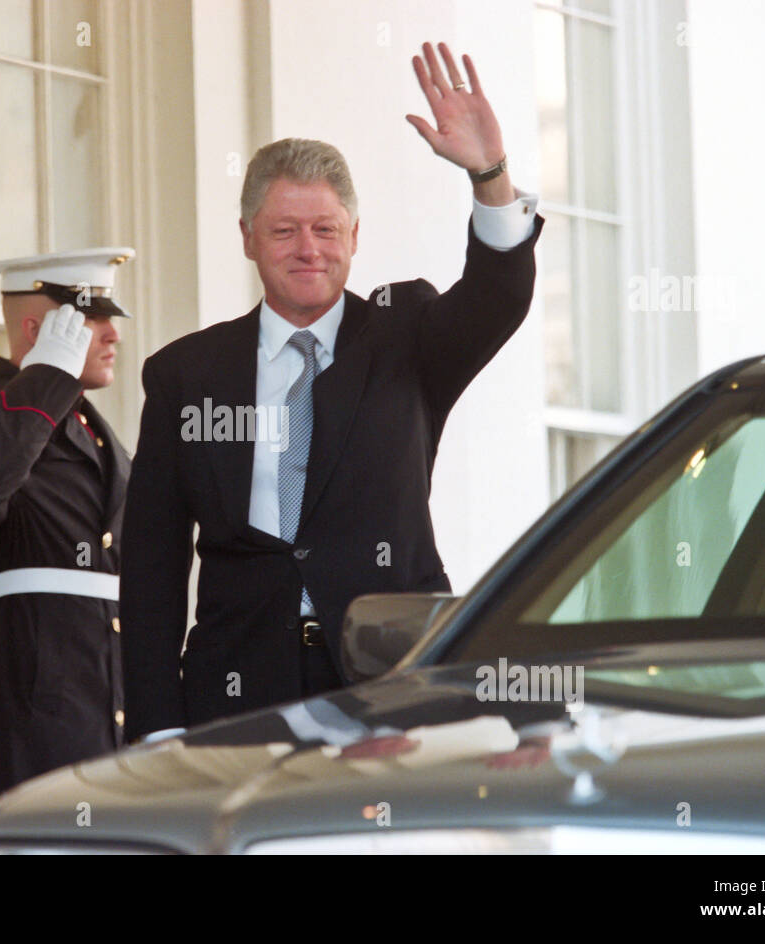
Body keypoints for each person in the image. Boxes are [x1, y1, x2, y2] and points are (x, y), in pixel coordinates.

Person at [120, 42, 544, 741]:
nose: (307, 248)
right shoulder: (184, 376)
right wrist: (159, 729)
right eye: (284, 231)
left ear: (354, 235)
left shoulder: (408, 335)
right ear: (248, 238)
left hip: (391, 687)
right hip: (234, 696)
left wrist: (489, 176)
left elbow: (499, 295)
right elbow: (152, 570)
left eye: (325, 229)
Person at [0, 248, 134, 813]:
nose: (113, 334)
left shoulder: (95, 431)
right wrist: (43, 378)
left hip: (109, 688)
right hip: (32, 693)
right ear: (38, 329)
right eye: (93, 319)